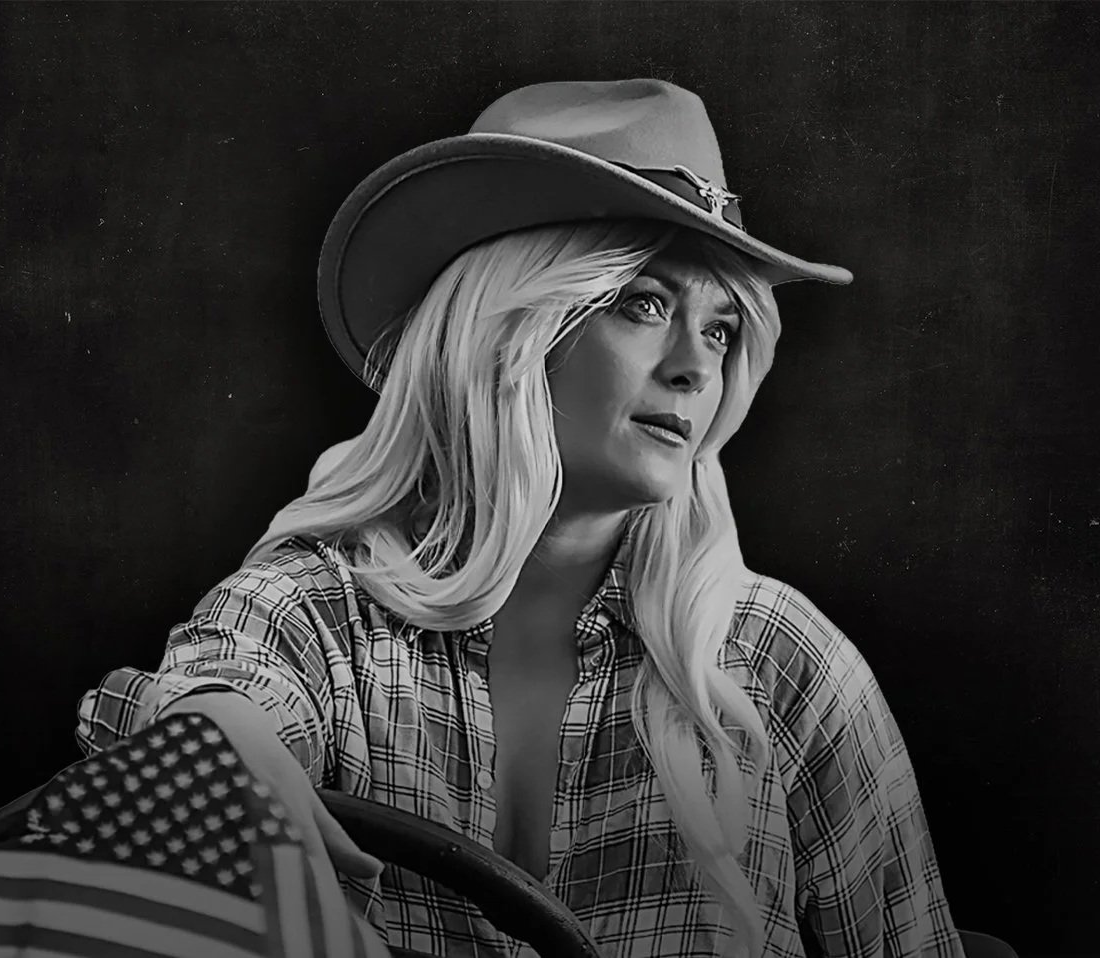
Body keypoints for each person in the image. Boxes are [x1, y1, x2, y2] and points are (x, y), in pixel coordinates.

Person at [69, 79, 963, 957]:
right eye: (644, 304)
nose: (697, 368)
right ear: (509, 333)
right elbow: (219, 688)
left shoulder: (781, 659)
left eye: (723, 329)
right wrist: (224, 740)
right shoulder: (319, 616)